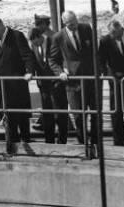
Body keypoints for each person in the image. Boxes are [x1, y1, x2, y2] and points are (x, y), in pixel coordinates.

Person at [48, 11, 98, 146]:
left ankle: (95, 143)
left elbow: (94, 50)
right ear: (64, 23)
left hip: (90, 79)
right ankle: (83, 144)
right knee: (78, 116)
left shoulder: (86, 28)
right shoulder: (58, 37)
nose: (74, 26)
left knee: (95, 114)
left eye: (75, 22)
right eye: (70, 24)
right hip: (73, 83)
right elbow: (52, 60)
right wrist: (60, 72)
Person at [0, 17, 35, 147]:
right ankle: (12, 144)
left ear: (1, 24)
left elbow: (27, 55)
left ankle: (26, 141)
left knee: (22, 115)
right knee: (8, 115)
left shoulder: (16, 35)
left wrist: (30, 71)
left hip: (17, 82)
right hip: (3, 84)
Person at [29, 27, 69, 144]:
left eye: (34, 41)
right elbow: (35, 63)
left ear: (39, 37)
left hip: (57, 83)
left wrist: (62, 71)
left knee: (60, 114)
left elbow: (62, 58)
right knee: (47, 115)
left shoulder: (53, 41)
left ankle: (62, 141)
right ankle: (49, 141)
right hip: (44, 85)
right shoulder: (34, 47)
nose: (34, 44)